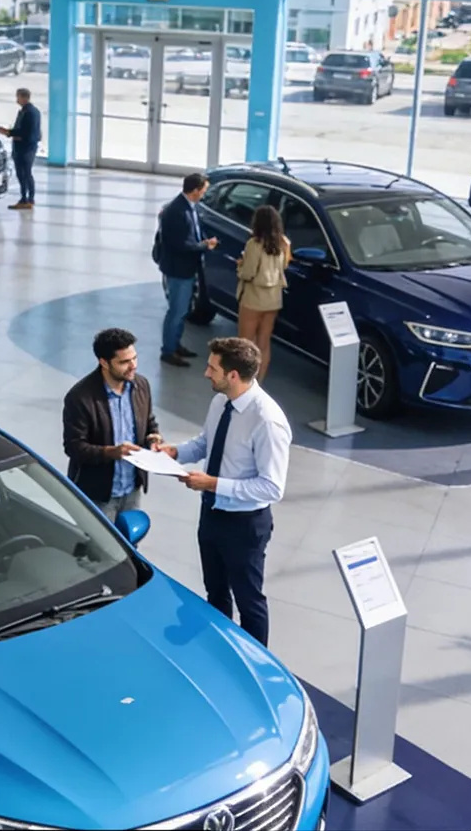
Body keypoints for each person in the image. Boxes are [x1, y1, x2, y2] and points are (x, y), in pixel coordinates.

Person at [160, 337, 289, 646]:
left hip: (244, 525)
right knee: (215, 589)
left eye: (212, 368)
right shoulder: (221, 401)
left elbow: (272, 486)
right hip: (212, 513)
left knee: (249, 600)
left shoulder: (267, 421)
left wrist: (213, 484)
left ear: (233, 375)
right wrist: (174, 453)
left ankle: (257, 663)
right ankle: (219, 648)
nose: (206, 373)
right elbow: (207, 441)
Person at [62, 328, 163, 524]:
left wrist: (154, 436)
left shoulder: (141, 385)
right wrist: (112, 452)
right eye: (124, 362)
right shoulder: (80, 398)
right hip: (98, 495)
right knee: (99, 552)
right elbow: (74, 447)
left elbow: (148, 420)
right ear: (104, 362)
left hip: (132, 489)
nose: (132, 366)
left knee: (129, 546)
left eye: (134, 358)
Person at [155, 173, 218, 367]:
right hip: (178, 270)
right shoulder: (176, 212)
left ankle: (175, 344)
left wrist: (203, 241)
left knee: (182, 311)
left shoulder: (189, 207)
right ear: (195, 190)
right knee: (177, 310)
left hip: (187, 268)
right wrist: (204, 246)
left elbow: (194, 232)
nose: (204, 194)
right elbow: (180, 244)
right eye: (203, 190)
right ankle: (168, 350)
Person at [235, 205, 290, 382]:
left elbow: (249, 272)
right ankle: (258, 382)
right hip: (273, 299)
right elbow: (284, 267)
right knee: (263, 344)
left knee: (244, 344)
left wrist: (240, 265)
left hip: (254, 297)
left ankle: (243, 383)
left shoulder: (254, 244)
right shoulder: (282, 244)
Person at [0, 87, 41, 210]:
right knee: (24, 174)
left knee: (25, 174)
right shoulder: (28, 111)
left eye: (18, 97)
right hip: (23, 148)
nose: (17, 100)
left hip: (25, 149)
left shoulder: (29, 113)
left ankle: (27, 199)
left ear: (24, 97)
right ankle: (26, 198)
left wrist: (8, 132)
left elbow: (26, 132)